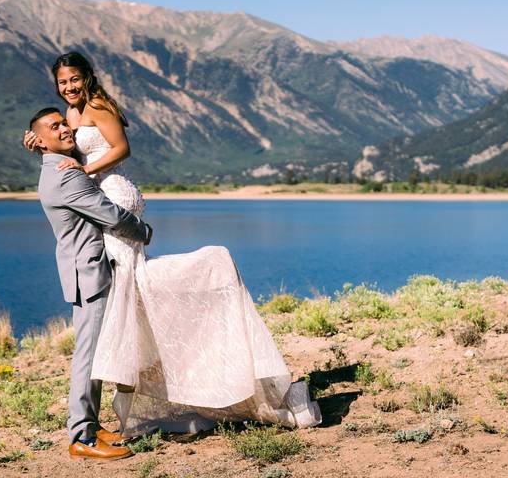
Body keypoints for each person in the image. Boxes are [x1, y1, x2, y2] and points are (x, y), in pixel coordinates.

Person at [24, 52, 321, 437]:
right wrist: (39, 145)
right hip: (100, 204)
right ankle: (130, 399)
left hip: (112, 195)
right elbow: (58, 149)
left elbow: (120, 149)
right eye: (63, 82)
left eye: (75, 79)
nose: (69, 87)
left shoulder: (97, 105)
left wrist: (86, 168)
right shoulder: (68, 114)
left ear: (87, 77)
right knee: (129, 302)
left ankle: (129, 401)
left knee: (130, 293)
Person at [28, 106, 153, 460]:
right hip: (90, 272)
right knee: (88, 356)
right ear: (41, 139)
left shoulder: (53, 168)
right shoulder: (67, 176)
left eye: (65, 124)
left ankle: (91, 426)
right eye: (55, 127)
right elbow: (109, 214)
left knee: (94, 352)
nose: (65, 129)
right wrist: (144, 232)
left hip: (85, 269)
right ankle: (81, 436)